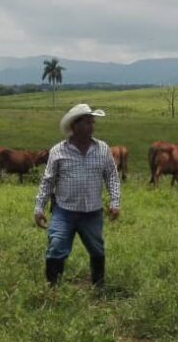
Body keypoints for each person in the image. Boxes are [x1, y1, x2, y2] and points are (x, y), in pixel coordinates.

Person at [34, 103, 121, 288]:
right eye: (87, 122)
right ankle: (53, 288)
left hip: (92, 212)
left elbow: (112, 177)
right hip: (64, 211)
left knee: (97, 249)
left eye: (92, 122)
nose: (92, 126)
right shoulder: (58, 150)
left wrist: (115, 202)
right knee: (56, 246)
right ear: (74, 126)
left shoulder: (102, 149)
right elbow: (48, 181)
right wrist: (39, 207)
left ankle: (99, 287)